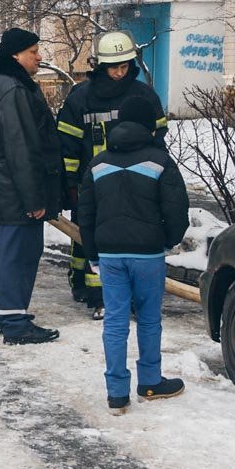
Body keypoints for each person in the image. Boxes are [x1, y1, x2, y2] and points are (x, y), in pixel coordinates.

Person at [77, 96, 189, 415]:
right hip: (148, 254)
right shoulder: (160, 161)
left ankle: (116, 393)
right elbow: (177, 210)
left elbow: (85, 213)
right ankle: (151, 382)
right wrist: (166, 243)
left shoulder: (97, 164)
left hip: (110, 254)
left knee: (114, 320)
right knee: (149, 318)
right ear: (147, 125)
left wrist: (93, 254)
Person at [57, 30, 167, 320]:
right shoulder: (81, 98)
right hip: (92, 184)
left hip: (137, 183)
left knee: (123, 239)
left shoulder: (144, 96)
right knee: (87, 235)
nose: (120, 72)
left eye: (124, 66)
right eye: (113, 67)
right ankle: (90, 289)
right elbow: (66, 146)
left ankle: (113, 295)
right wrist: (68, 183)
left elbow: (159, 142)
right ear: (101, 66)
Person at [0, 27, 64, 345]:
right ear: (16, 55)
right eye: (33, 52)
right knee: (19, 256)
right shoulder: (13, 90)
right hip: (15, 193)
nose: (39, 57)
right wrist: (34, 198)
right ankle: (15, 323)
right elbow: (21, 148)